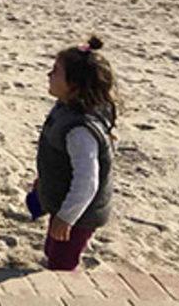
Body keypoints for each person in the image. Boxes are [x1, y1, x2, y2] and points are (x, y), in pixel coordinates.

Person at [31, 36, 118, 271]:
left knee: (62, 261)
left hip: (81, 212)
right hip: (65, 200)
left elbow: (87, 181)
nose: (49, 75)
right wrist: (45, 179)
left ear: (75, 85)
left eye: (56, 71)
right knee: (53, 248)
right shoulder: (66, 107)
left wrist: (67, 217)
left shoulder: (80, 130)